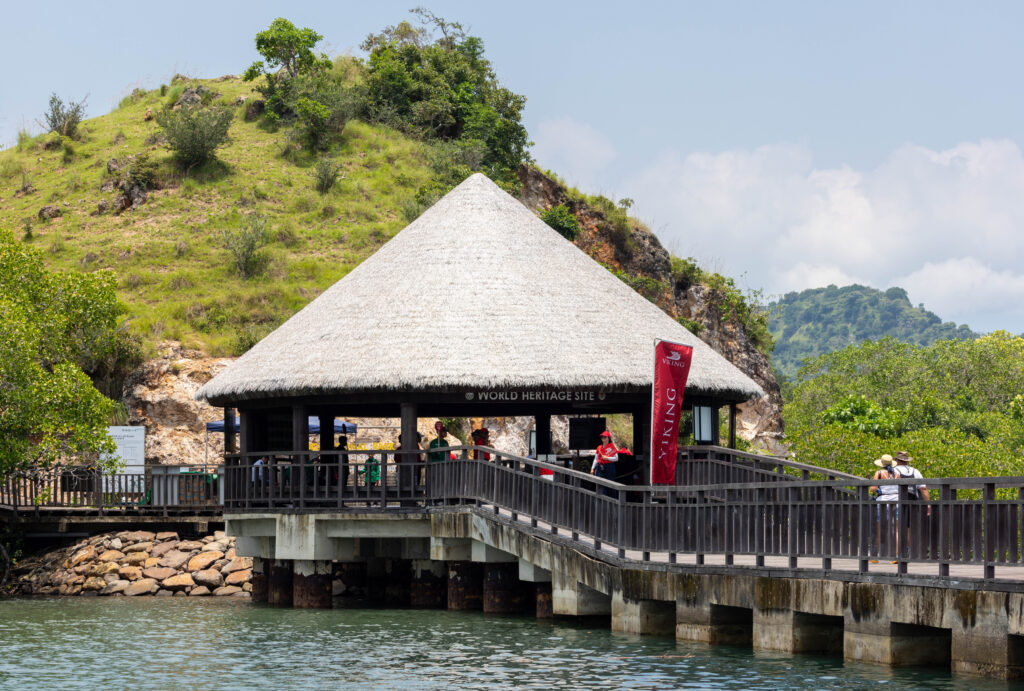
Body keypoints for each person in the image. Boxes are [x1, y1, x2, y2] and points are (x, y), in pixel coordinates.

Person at [590, 431, 619, 497]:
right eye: (602, 437)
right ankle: (602, 502)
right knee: (600, 485)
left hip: (609, 467)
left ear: (608, 438)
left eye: (604, 437)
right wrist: (592, 468)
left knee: (611, 485)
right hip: (599, 467)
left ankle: (613, 503)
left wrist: (607, 458)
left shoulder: (612, 447)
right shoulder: (599, 447)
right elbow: (596, 459)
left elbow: (616, 458)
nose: (603, 438)